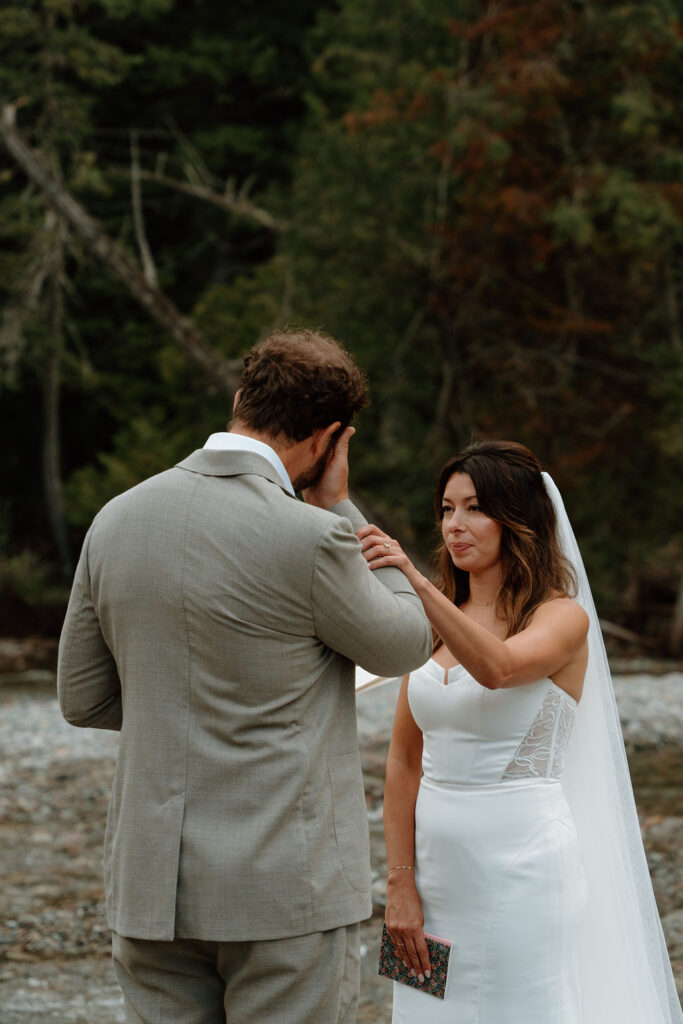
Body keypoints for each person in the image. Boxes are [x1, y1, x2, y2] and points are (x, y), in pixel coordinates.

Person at [57, 328, 432, 1024]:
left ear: (239, 399)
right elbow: (407, 643)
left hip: (150, 888)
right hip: (283, 887)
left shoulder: (115, 519)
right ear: (328, 440)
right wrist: (343, 509)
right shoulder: (314, 536)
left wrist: (177, 705)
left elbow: (81, 698)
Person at [358, 440, 683, 1023]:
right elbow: (404, 760)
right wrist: (400, 883)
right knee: (422, 1016)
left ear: (517, 519)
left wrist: (414, 581)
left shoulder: (562, 617)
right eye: (447, 509)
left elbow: (499, 669)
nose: (455, 525)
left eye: (475, 508)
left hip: (521, 872)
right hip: (430, 880)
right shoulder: (435, 623)